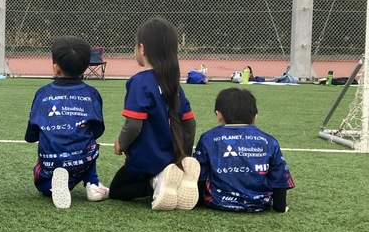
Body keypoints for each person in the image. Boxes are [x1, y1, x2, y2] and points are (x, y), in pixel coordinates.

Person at [110, 16, 200, 211]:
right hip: (171, 158)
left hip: (145, 160)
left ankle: (155, 183)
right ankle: (177, 177)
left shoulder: (139, 82)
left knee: (117, 189)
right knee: (168, 170)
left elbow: (133, 125)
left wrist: (121, 144)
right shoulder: (174, 84)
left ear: (142, 49)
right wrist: (184, 156)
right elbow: (190, 124)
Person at [25, 36, 109, 209]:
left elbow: (31, 135)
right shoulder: (92, 93)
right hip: (82, 161)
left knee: (40, 180)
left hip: (51, 162)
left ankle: (52, 185)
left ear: (56, 67)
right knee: (89, 141)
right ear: (86, 67)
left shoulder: (42, 94)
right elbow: (97, 130)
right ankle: (93, 184)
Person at [192, 88, 294, 212]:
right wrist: (280, 207)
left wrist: (198, 202)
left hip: (217, 202)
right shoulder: (269, 141)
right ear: (255, 117)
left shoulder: (208, 138)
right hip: (259, 203)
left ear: (219, 115)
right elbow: (279, 176)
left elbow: (200, 173)